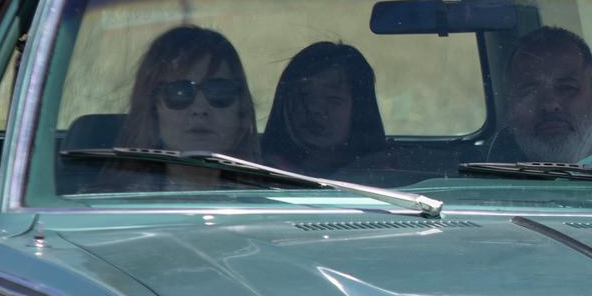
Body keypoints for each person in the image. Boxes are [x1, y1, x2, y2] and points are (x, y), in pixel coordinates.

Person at [112, 25, 259, 189]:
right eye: (179, 92)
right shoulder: (106, 206)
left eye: (219, 91)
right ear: (153, 109)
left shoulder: (276, 200)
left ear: (241, 109)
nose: (200, 109)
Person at [262, 41, 388, 178]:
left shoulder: (387, 180)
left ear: (361, 111)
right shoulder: (254, 171)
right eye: (303, 96)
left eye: (333, 99)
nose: (314, 108)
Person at [502, 26, 592, 162]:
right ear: (509, 111)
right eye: (530, 91)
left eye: (567, 88)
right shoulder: (478, 178)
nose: (550, 104)